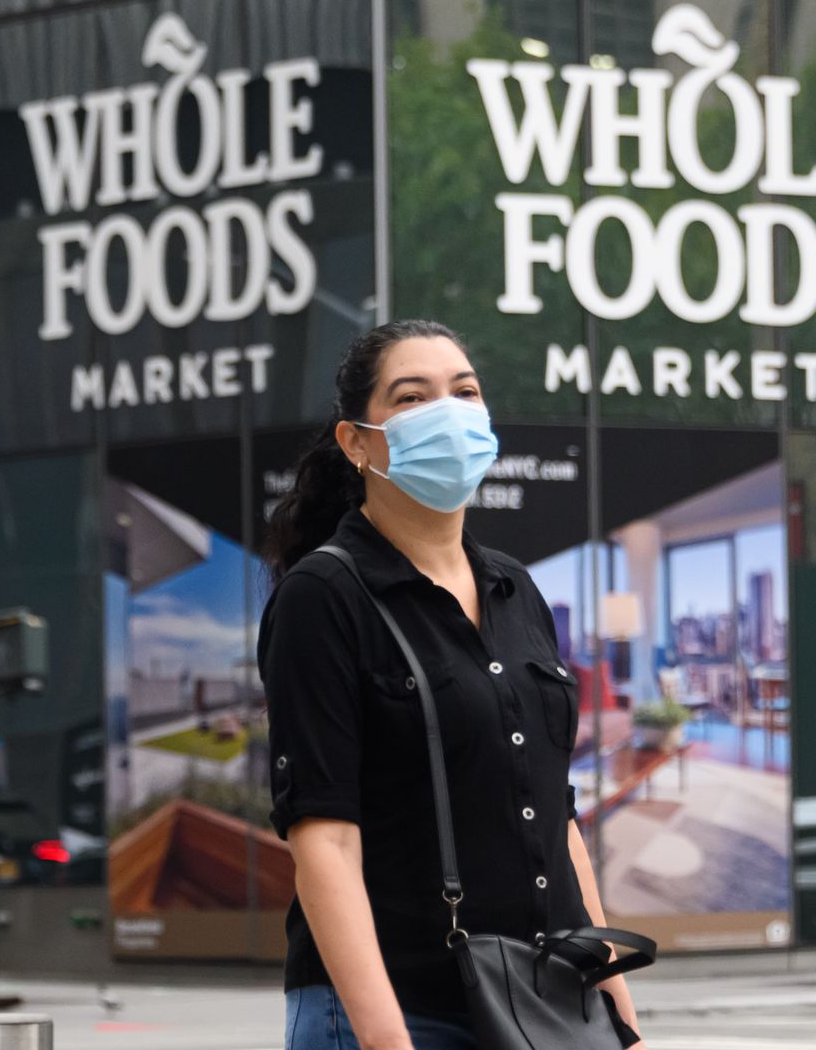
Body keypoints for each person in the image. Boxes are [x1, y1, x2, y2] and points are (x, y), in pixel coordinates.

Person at [261, 320, 646, 1050]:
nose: (449, 412)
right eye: (412, 397)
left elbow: (556, 823)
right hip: (399, 1011)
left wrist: (620, 1015)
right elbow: (324, 844)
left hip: (546, 1003)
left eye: (465, 392)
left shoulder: (516, 588)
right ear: (357, 442)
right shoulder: (324, 596)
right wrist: (386, 1041)